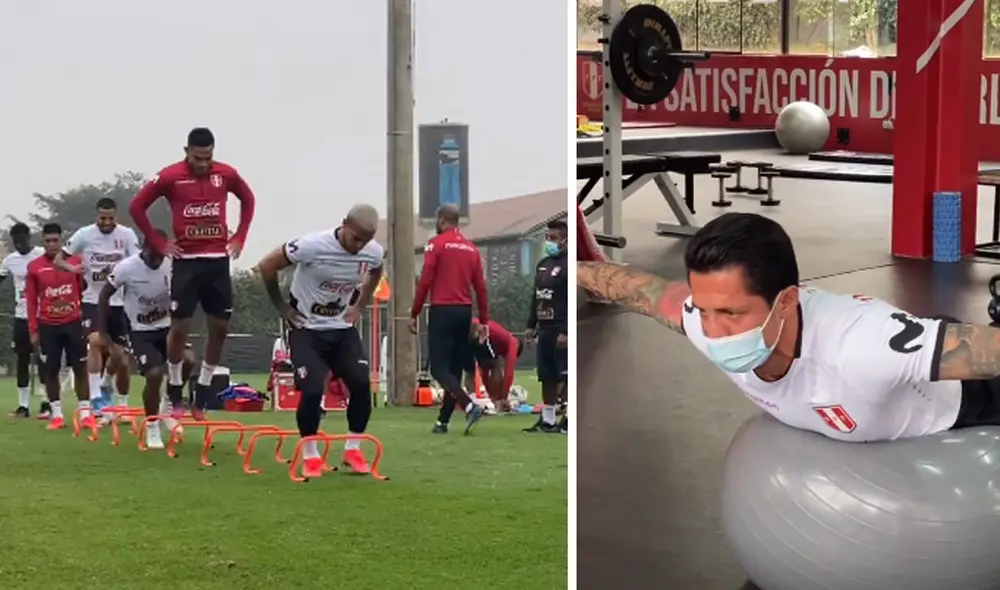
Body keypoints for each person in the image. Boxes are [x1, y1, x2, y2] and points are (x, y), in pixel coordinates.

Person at [576, 211, 1000, 442]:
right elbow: (634, 288)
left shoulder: (862, 347)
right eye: (704, 310)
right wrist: (560, 262)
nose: (713, 330)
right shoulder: (701, 322)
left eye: (731, 314)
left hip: (966, 394)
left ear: (787, 302)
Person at [128, 127, 256, 421]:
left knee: (220, 329)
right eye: (198, 158)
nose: (203, 163)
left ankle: (202, 392)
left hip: (217, 261)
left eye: (208, 157)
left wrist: (239, 237)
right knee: (180, 329)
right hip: (186, 262)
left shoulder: (225, 174)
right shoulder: (171, 176)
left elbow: (248, 199)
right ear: (186, 151)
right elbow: (137, 206)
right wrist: (159, 241)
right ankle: (174, 389)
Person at [256, 204, 384, 479]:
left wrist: (360, 306)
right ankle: (311, 455)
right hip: (307, 329)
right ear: (344, 225)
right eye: (355, 238)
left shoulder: (372, 252)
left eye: (366, 240)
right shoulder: (312, 245)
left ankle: (353, 449)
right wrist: (282, 306)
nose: (359, 245)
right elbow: (267, 266)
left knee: (362, 383)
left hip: (341, 328)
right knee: (313, 389)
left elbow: (377, 270)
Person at [100, 230, 194, 449]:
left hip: (167, 327)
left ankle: (167, 408)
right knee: (154, 374)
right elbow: (104, 295)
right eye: (153, 254)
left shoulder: (171, 264)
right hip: (140, 330)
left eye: (161, 254)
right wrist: (103, 331)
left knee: (188, 360)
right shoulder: (126, 267)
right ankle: (152, 427)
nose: (157, 259)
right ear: (144, 248)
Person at [55, 198, 140, 413]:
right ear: (97, 216)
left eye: (111, 218)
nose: (107, 222)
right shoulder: (85, 234)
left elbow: (138, 261)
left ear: (116, 217)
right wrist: (72, 269)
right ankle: (95, 397)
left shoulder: (127, 235)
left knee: (119, 356)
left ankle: (105, 385)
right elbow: (59, 258)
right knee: (95, 341)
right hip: (93, 299)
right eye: (103, 218)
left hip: (119, 301)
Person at [409, 204, 488, 434]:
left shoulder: (436, 244)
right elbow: (481, 287)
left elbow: (426, 280)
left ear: (442, 220)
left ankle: (469, 405)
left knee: (439, 369)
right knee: (453, 370)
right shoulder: (471, 249)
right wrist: (483, 319)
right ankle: (443, 421)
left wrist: (414, 313)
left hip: (442, 309)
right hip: (464, 312)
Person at [26, 223, 89, 431]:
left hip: (72, 323)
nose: (52, 245)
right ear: (42, 242)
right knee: (50, 370)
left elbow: (82, 292)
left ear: (62, 241)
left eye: (55, 240)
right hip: (47, 326)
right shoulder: (34, 267)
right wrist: (33, 329)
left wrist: (84, 318)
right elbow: (31, 301)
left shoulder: (75, 262)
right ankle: (57, 415)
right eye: (48, 241)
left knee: (80, 368)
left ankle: (86, 414)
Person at [433, 318, 521, 432]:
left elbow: (483, 372)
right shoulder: (512, 343)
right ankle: (481, 404)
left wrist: (492, 397)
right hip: (478, 329)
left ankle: (469, 403)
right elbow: (509, 372)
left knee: (466, 369)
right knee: (495, 365)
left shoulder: (498, 341)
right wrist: (503, 397)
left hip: (464, 327)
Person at [525, 219, 569, 434]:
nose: (549, 242)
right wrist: (530, 326)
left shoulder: (569, 265)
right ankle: (548, 420)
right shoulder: (543, 264)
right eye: (547, 238)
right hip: (545, 328)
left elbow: (570, 299)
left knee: (566, 375)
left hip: (561, 328)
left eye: (553, 238)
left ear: (565, 241)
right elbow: (537, 297)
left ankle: (569, 419)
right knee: (547, 376)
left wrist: (566, 331)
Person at [1, 223, 45, 418]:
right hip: (22, 316)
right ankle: (23, 406)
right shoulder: (10, 261)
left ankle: (47, 403)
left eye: (23, 241)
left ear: (30, 238)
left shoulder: (43, 254)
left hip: (44, 315)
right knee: (22, 359)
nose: (20, 245)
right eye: (16, 243)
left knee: (45, 359)